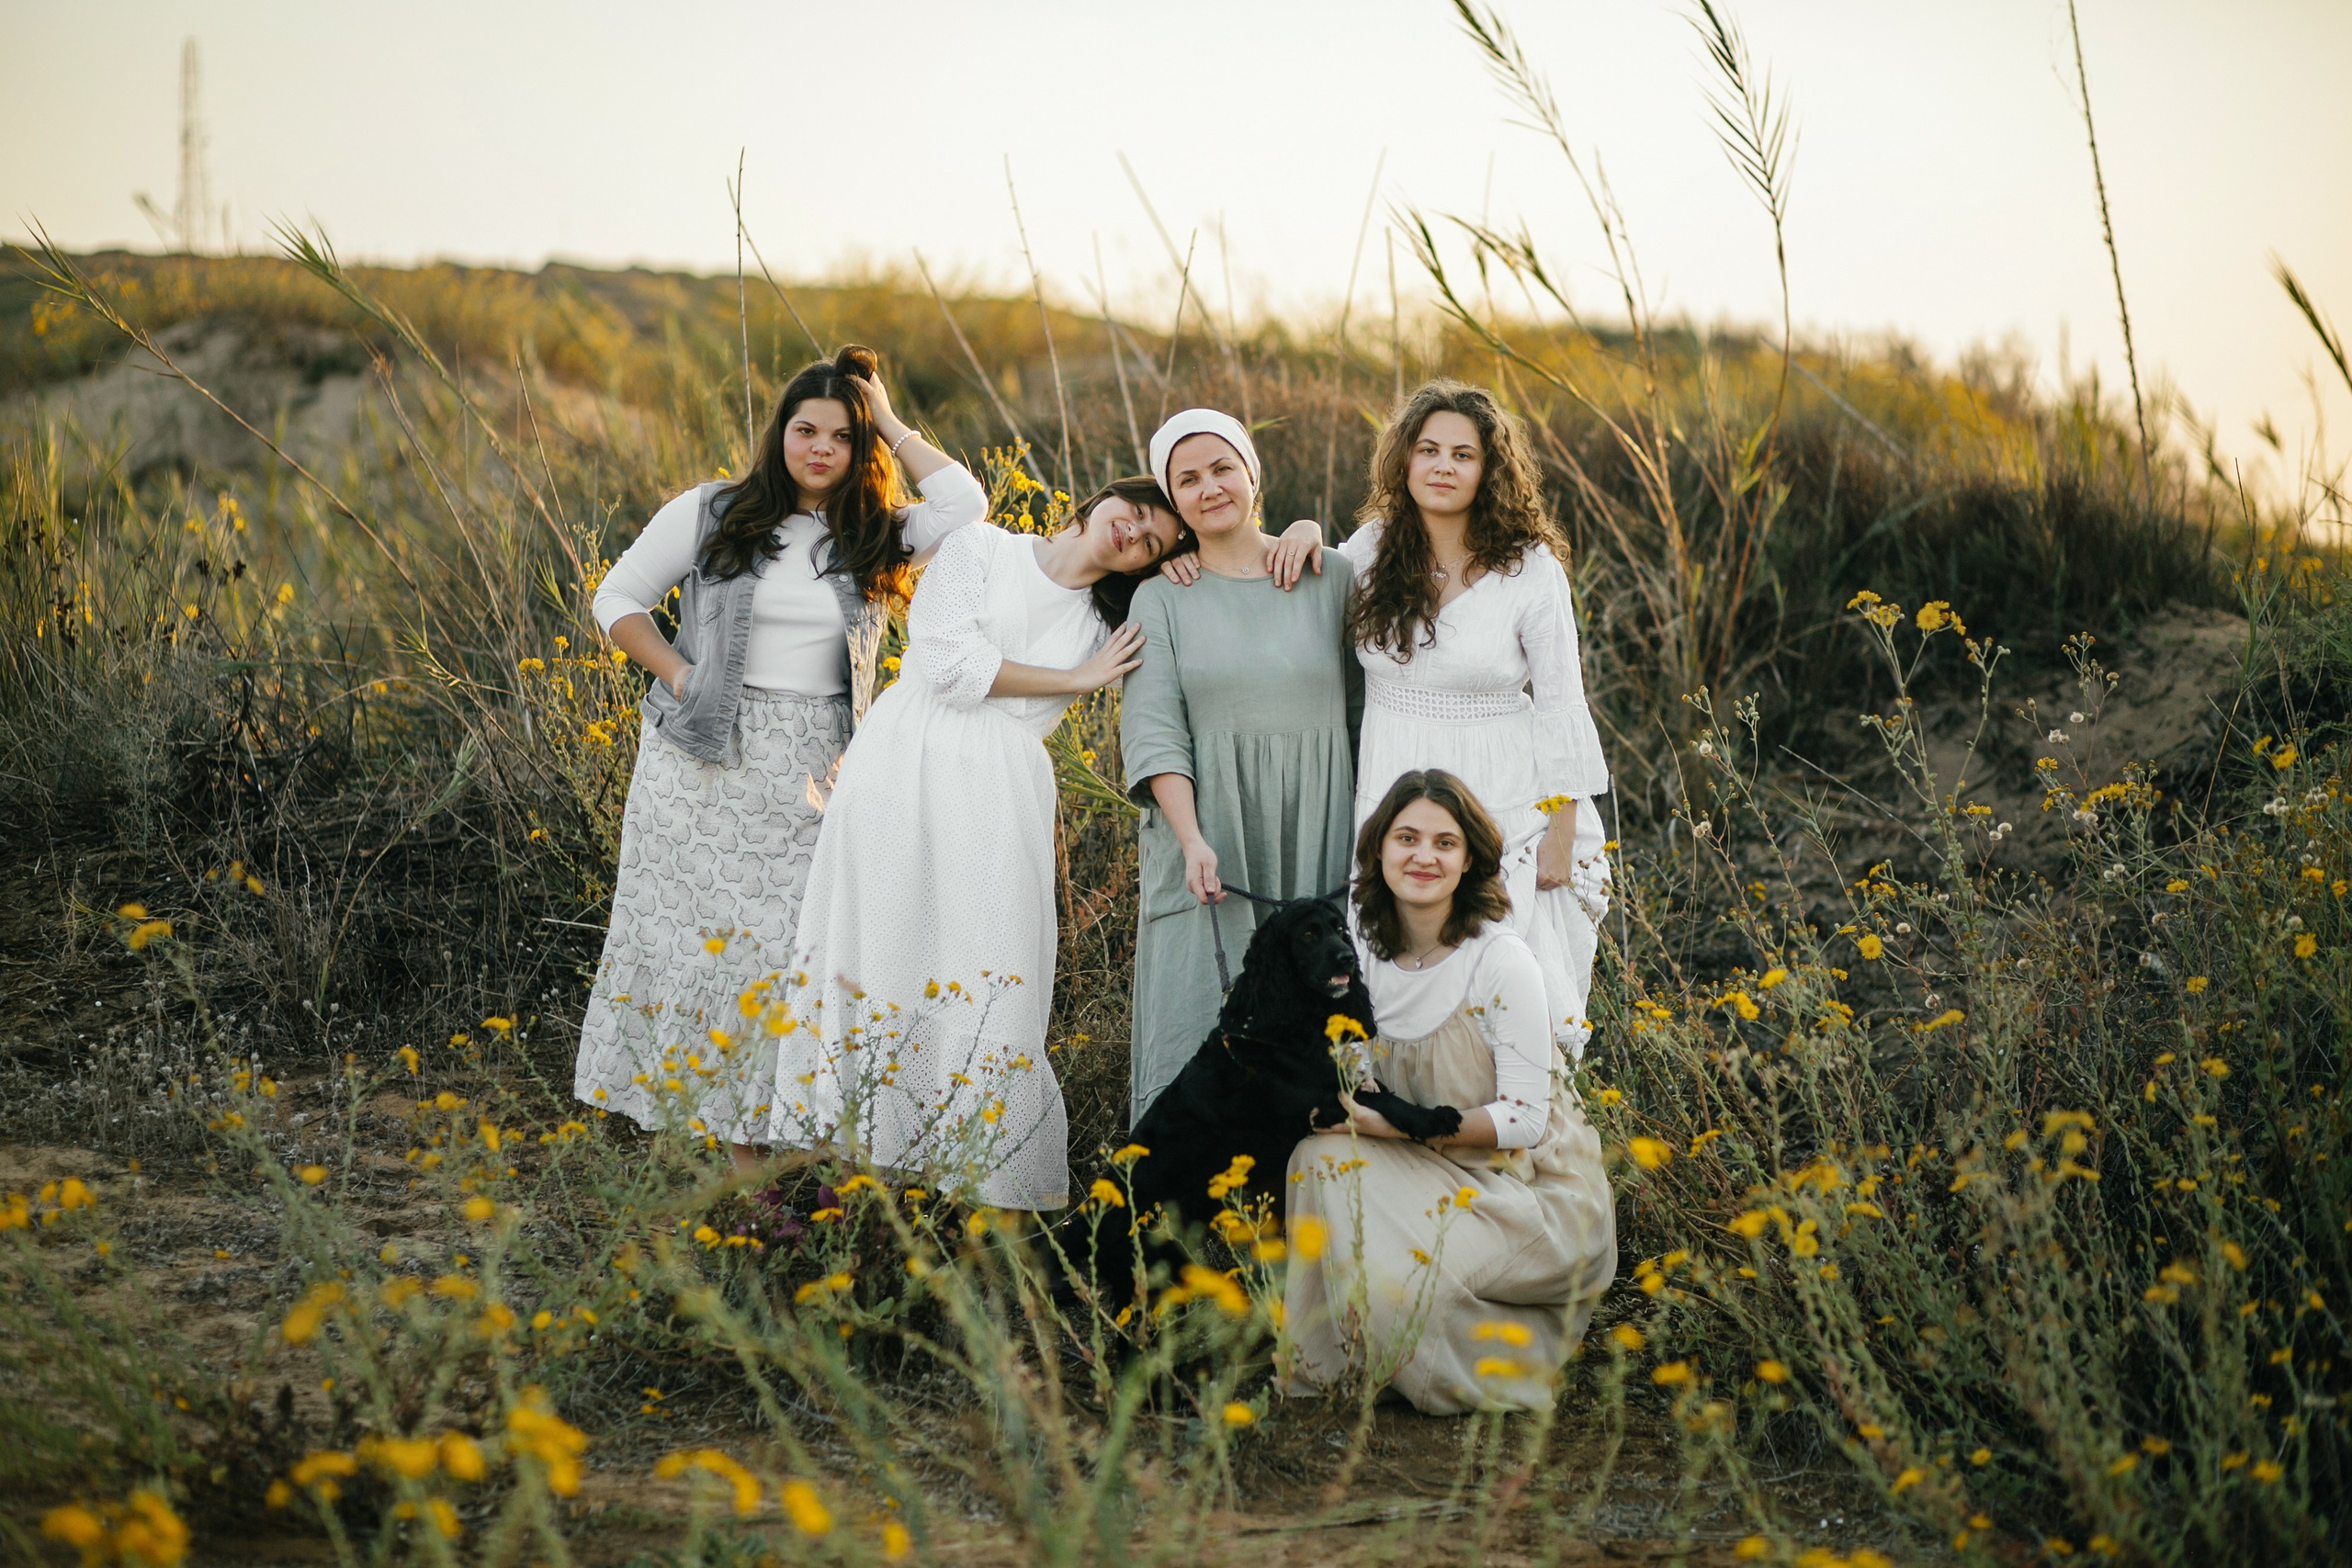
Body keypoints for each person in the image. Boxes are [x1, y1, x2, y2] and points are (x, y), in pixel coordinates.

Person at [572, 346, 986, 1162]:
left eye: (841, 434)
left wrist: (891, 420)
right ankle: (717, 1162)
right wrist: (680, 673)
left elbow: (966, 503)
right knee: (698, 951)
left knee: (791, 957)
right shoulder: (712, 510)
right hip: (701, 768)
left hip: (815, 775)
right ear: (780, 433)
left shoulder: (874, 533)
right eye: (806, 429)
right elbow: (614, 597)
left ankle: (777, 1153)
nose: (821, 447)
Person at [772, 479, 1191, 1208]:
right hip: (903, 757)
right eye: (1140, 512)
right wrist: (1074, 679)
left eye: (1154, 543)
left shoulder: (1111, 626)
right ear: (1101, 499)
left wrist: (1201, 562)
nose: (1137, 532)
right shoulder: (980, 545)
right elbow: (949, 666)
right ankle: (852, 1173)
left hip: (1001, 788)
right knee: (878, 946)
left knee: (987, 969)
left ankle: (964, 1184)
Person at [1276, 381, 1613, 1058]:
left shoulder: (1529, 568)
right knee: (1397, 962)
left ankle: (1514, 1125)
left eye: (1463, 454)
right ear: (1404, 461)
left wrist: (1561, 830)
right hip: (1393, 776)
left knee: (1499, 968)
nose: (1443, 466)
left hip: (1502, 793)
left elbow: (1560, 702)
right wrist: (1302, 530)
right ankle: (1406, 1122)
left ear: (1489, 470)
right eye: (1428, 449)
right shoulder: (1371, 549)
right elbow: (1300, 585)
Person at [1283, 770, 1615, 1416]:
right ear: (1379, 850)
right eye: (1406, 837)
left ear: (1469, 861)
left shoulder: (1500, 960)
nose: (1424, 856)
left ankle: (1485, 1367)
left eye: (1444, 842)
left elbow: (1522, 1120)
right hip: (1424, 1165)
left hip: (1519, 1187)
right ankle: (1326, 1368)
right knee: (1311, 1159)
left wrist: (1396, 1127)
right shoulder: (1361, 954)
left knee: (1407, 1287)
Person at [1119, 409, 1362, 1123]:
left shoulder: (1329, 572)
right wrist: (1193, 840)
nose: (1209, 488)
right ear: (1174, 499)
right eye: (1187, 479)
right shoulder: (1162, 596)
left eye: (1223, 468)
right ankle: (1185, 1211)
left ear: (1252, 474)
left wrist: (1311, 529)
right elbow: (1156, 731)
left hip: (1319, 823)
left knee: (1323, 1027)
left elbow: (1365, 708)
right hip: (1211, 833)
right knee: (1204, 1019)